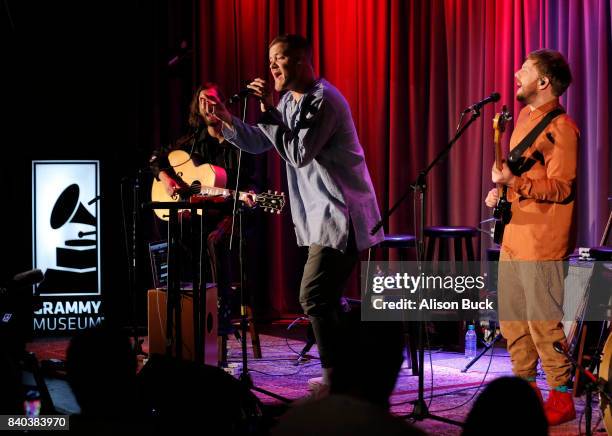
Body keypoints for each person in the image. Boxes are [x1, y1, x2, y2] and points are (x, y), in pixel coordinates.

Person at [203, 34, 385, 394]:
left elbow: (299, 151)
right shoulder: (289, 100)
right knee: (328, 298)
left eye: (279, 58)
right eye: (269, 58)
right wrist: (227, 121)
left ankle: (336, 377)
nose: (271, 66)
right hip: (319, 215)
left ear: (302, 61)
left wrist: (269, 109)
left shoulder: (325, 100)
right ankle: (358, 361)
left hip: (340, 213)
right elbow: (261, 141)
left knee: (313, 294)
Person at [485, 49, 578, 426]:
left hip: (541, 240)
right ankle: (527, 391)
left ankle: (561, 396)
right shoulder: (523, 117)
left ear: (543, 82)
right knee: (512, 322)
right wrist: (501, 192)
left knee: (544, 323)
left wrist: (515, 182)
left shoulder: (564, 130)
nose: (515, 73)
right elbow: (519, 176)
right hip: (513, 236)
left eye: (524, 70)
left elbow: (561, 188)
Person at [149, 83, 257, 353]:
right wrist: (165, 178)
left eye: (212, 99)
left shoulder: (240, 144)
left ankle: (220, 319)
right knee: (175, 240)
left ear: (223, 103)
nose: (208, 105)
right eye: (202, 101)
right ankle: (180, 320)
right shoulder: (192, 142)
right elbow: (156, 159)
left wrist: (243, 203)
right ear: (197, 108)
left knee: (214, 242)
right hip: (197, 219)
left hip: (230, 218)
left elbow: (252, 186)